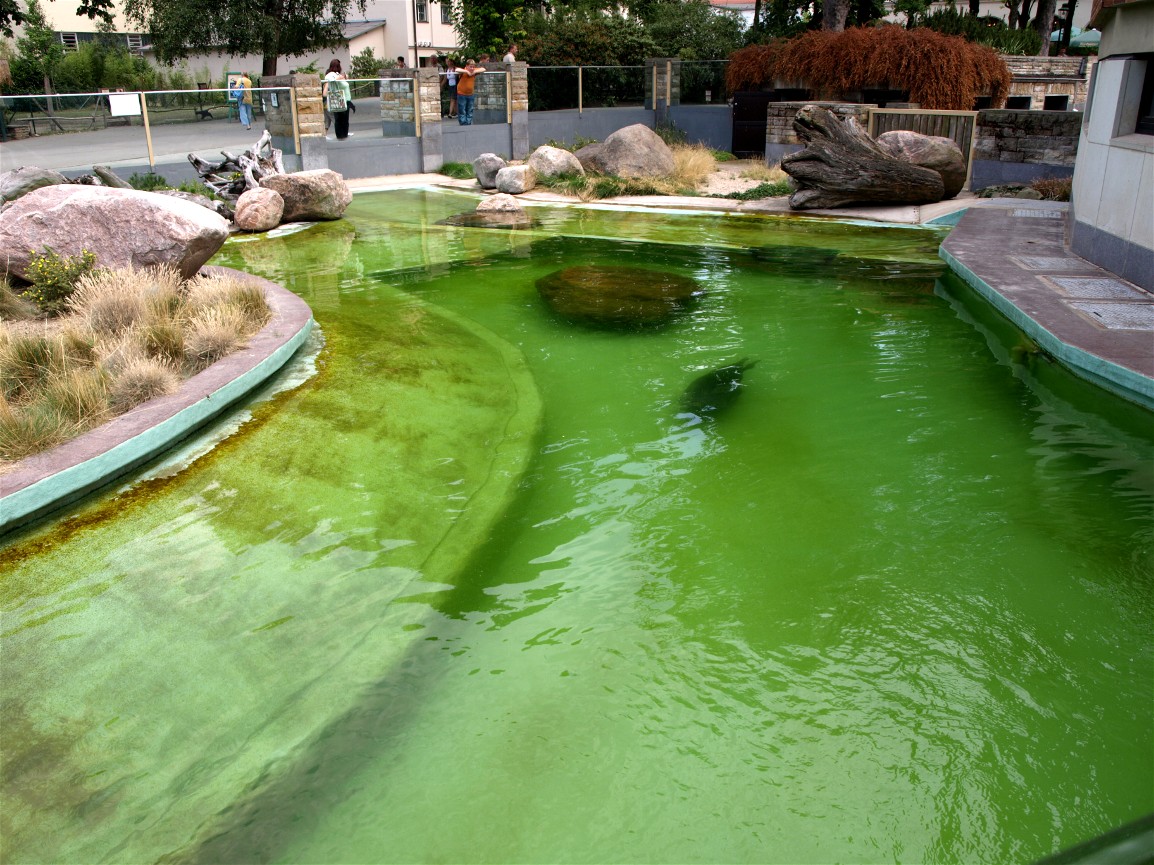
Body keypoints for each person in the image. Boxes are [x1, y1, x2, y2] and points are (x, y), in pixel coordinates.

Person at [323, 59, 352, 140]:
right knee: (339, 118)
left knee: (345, 119)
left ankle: (344, 134)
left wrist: (343, 78)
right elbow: (331, 79)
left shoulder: (337, 74)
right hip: (339, 99)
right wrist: (341, 77)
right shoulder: (331, 74)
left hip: (346, 99)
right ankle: (340, 135)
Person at [455, 58, 485, 125]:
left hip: (470, 94)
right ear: (467, 66)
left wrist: (474, 72)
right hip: (461, 94)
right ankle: (463, 124)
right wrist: (466, 71)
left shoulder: (473, 71)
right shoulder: (463, 71)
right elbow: (456, 69)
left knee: (470, 110)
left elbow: (483, 69)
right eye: (470, 67)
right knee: (462, 110)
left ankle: (468, 123)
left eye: (473, 67)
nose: (472, 68)